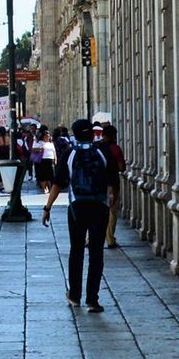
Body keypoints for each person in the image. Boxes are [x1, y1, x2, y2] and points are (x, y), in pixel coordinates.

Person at [44, 117, 112, 312]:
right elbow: (113, 182)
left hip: (77, 207)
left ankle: (74, 295)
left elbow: (57, 183)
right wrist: (111, 202)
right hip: (100, 206)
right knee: (96, 252)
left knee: (76, 250)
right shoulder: (103, 151)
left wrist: (47, 208)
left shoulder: (69, 153)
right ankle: (93, 299)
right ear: (92, 133)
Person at [102, 122, 127, 248]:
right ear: (114, 136)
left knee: (97, 211)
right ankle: (110, 239)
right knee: (112, 211)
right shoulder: (115, 148)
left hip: (98, 184)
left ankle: (90, 239)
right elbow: (122, 167)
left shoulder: (97, 147)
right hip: (112, 183)